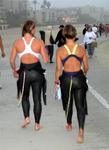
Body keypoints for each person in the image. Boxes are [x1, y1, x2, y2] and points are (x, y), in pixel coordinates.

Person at [10, 20, 49, 130]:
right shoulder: (38, 42)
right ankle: (37, 124)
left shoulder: (17, 42)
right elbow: (46, 60)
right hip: (37, 73)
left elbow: (12, 60)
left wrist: (14, 70)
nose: (35, 29)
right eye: (34, 28)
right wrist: (43, 48)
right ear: (31, 29)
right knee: (37, 99)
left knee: (25, 97)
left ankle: (26, 118)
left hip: (24, 74)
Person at [55, 24, 89, 143]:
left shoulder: (60, 50)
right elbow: (86, 67)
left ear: (64, 35)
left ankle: (69, 124)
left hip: (65, 79)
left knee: (67, 103)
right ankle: (80, 132)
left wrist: (56, 81)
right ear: (75, 36)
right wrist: (84, 73)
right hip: (78, 78)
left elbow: (58, 69)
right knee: (80, 106)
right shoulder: (81, 49)